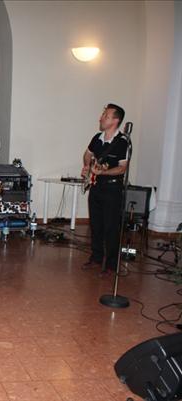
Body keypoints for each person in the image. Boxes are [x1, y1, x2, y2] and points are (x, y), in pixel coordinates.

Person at [81, 103, 129, 275]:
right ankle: (96, 258)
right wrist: (87, 166)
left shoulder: (122, 142)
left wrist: (104, 172)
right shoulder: (97, 138)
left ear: (115, 120)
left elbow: (122, 168)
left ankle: (111, 265)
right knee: (96, 225)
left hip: (112, 189)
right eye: (103, 115)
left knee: (111, 227)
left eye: (106, 116)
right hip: (96, 187)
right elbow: (87, 154)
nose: (101, 118)